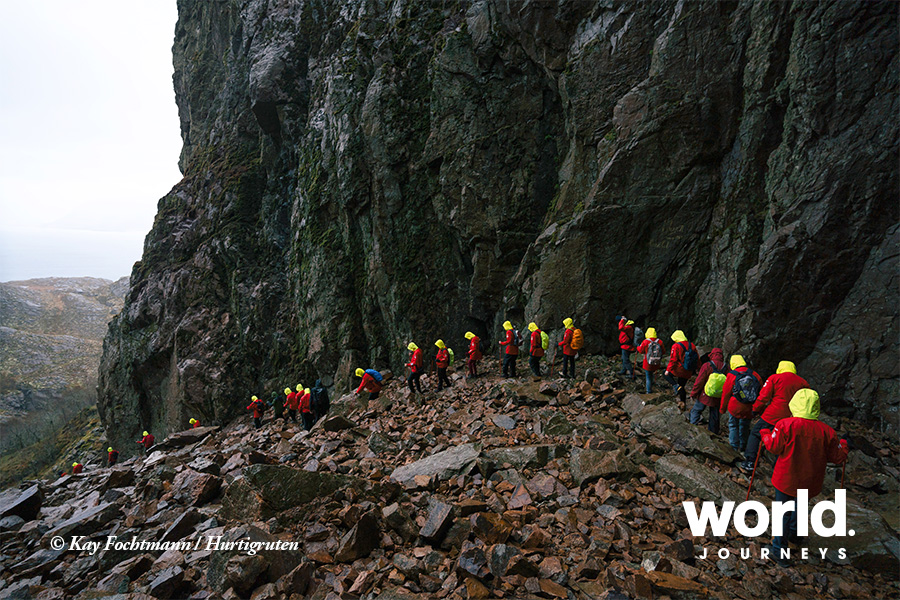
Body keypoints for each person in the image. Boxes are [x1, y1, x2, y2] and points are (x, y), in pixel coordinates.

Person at [761, 389, 848, 564]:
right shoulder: (827, 431)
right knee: (800, 507)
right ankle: (796, 535)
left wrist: (764, 434)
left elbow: (774, 447)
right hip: (810, 480)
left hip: (787, 477)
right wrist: (844, 444)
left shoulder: (785, 425)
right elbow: (838, 457)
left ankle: (779, 550)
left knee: (782, 512)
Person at [740, 361, 809, 472]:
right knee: (783, 441)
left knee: (756, 434)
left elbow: (763, 397)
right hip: (791, 417)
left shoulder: (775, 378)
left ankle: (750, 461)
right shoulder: (802, 382)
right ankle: (778, 469)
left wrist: (755, 409)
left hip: (772, 415)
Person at [719, 355, 762, 453]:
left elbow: (726, 393)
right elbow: (761, 392)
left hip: (735, 406)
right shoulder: (754, 374)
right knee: (745, 425)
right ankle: (743, 446)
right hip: (749, 407)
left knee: (733, 425)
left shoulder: (732, 375)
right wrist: (758, 408)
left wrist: (722, 409)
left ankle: (734, 448)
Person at [688, 347, 725, 433]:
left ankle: (692, 429)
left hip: (705, 393)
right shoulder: (725, 367)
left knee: (696, 410)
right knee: (714, 414)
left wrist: (693, 393)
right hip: (718, 394)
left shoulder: (707, 365)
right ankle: (713, 432)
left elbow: (699, 381)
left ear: (711, 355)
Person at [662, 330, 697, 404]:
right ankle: (683, 402)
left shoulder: (676, 346)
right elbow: (697, 358)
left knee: (665, 374)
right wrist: (698, 368)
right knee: (682, 386)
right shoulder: (692, 345)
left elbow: (673, 360)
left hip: (679, 369)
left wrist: (668, 370)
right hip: (688, 370)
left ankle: (675, 386)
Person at [637, 327, 665, 394]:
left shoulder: (646, 341)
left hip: (647, 362)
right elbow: (663, 351)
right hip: (656, 362)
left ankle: (648, 392)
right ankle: (652, 384)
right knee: (652, 373)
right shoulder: (660, 341)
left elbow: (640, 351)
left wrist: (638, 347)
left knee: (648, 377)